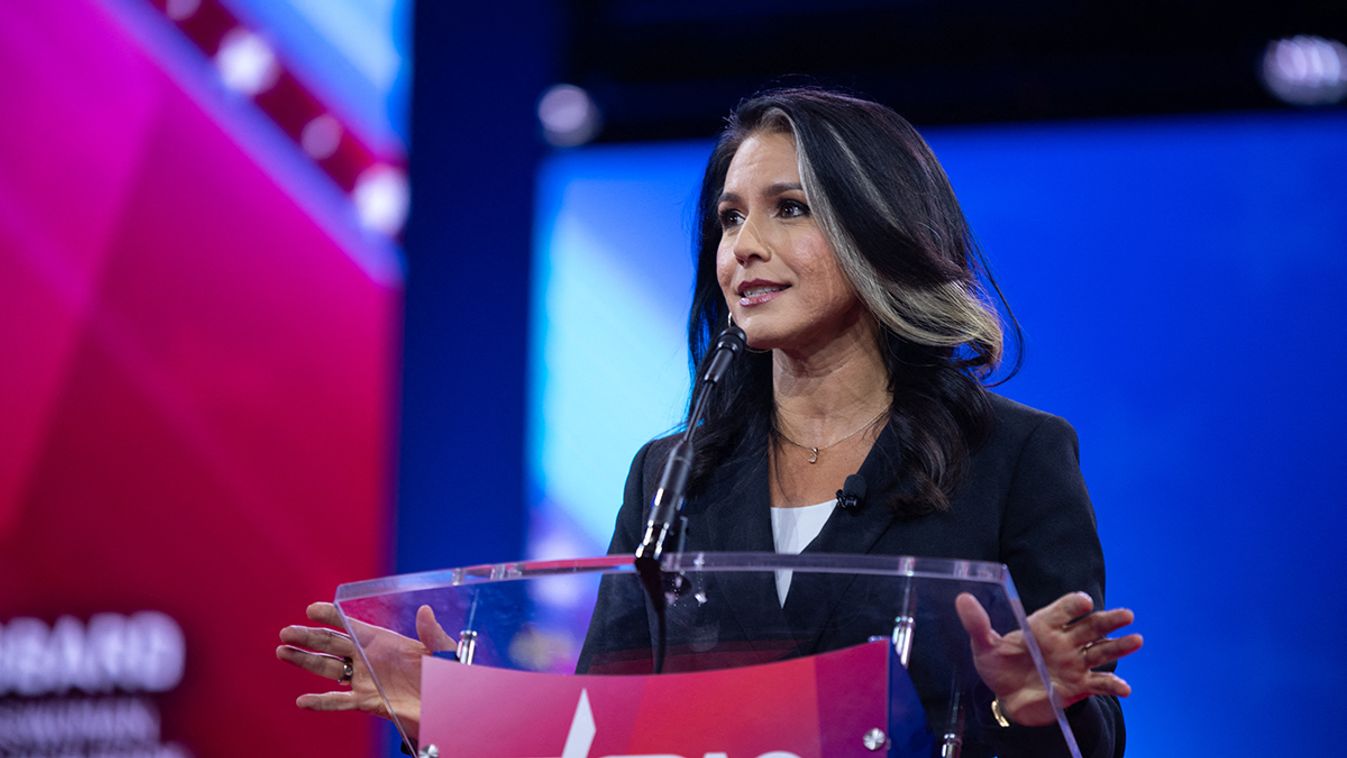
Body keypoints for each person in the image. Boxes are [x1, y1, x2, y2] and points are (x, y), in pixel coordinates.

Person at [278, 86, 1142, 757]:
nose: (743, 247)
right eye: (730, 217)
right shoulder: (670, 478)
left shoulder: (1014, 454)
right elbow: (604, 732)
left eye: (788, 208)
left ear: (879, 230)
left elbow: (1089, 733)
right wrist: (450, 712)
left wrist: (1022, 705)